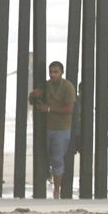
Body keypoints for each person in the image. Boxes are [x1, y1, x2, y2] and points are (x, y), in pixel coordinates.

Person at [30, 61, 76, 198]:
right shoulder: (46, 85)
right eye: (51, 72)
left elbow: (69, 110)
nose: (53, 75)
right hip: (46, 128)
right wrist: (32, 95)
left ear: (62, 72)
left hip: (61, 129)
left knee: (57, 159)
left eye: (56, 72)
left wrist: (49, 109)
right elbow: (34, 104)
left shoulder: (68, 87)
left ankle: (56, 191)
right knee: (44, 158)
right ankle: (42, 187)